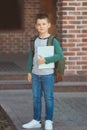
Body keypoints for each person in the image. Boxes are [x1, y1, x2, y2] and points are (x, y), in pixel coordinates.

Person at [22, 13, 64, 130]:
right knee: (36, 98)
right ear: (35, 26)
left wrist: (46, 60)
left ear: (49, 25)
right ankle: (36, 120)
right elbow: (32, 55)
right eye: (39, 24)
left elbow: (60, 55)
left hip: (48, 75)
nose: (41, 26)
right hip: (35, 74)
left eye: (44, 24)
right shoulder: (34, 40)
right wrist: (29, 71)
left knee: (48, 98)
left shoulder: (52, 40)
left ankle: (49, 120)